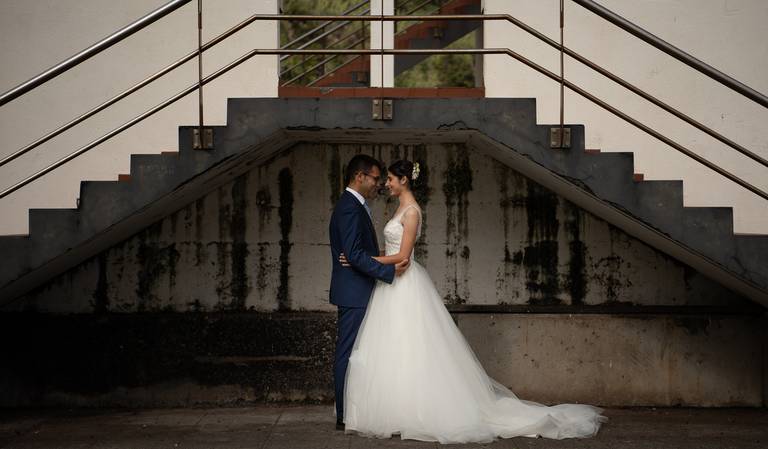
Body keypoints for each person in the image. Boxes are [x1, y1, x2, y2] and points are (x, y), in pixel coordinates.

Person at [338, 159, 608, 444]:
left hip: (405, 281)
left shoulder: (412, 211)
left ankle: (417, 410)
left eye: (390, 179)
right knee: (394, 346)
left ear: (404, 180)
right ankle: (395, 409)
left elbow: (404, 256)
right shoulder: (400, 208)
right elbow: (393, 250)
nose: (386, 184)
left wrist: (364, 259)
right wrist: (377, 258)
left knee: (412, 345)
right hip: (391, 283)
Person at [328, 154, 410, 432]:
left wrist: (374, 258)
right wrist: (387, 271)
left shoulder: (355, 205)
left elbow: (357, 254)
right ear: (359, 177)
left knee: (360, 354)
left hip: (358, 289)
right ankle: (343, 415)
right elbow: (352, 253)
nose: (379, 184)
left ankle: (355, 411)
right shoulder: (350, 207)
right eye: (376, 178)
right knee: (348, 353)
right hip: (354, 292)